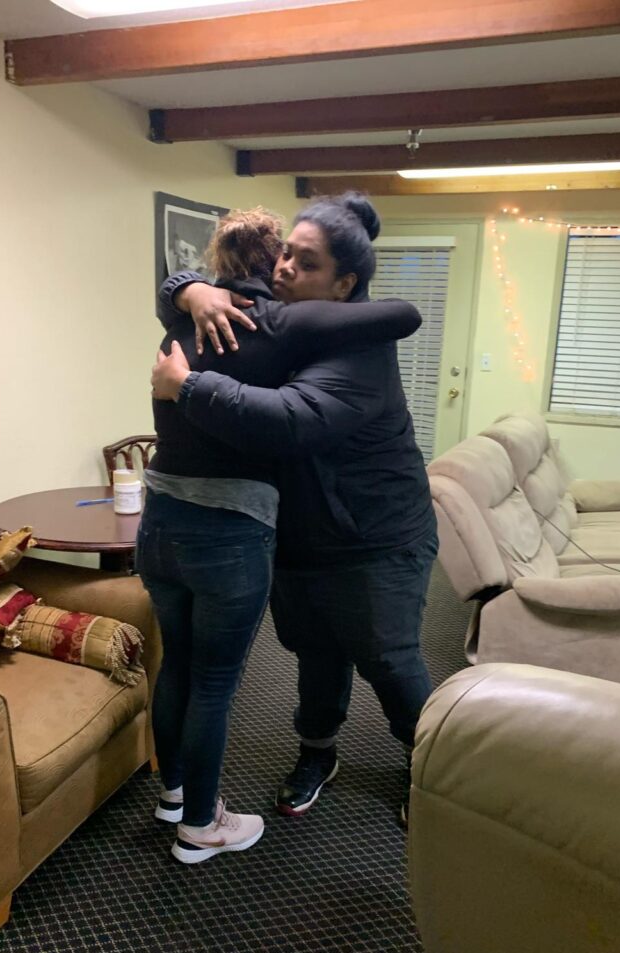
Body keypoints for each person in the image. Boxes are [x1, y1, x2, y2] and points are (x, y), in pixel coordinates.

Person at [140, 205, 423, 864]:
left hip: (372, 536)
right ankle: (310, 757)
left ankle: (432, 768)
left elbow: (294, 418)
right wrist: (190, 288)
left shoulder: (352, 343)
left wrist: (188, 382)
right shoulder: (262, 319)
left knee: (389, 661)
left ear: (345, 284)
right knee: (309, 654)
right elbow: (185, 299)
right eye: (285, 253)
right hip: (287, 532)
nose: (287, 268)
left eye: (306, 261)